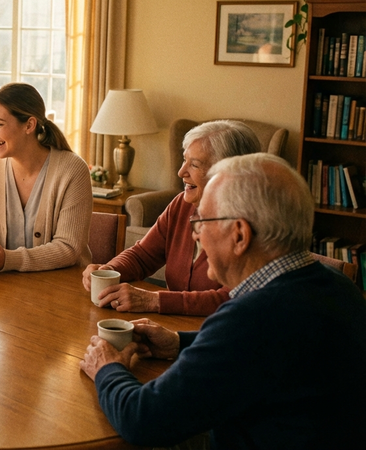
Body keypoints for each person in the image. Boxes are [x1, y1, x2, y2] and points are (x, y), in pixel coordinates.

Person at [79, 153, 366, 449]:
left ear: (239, 235)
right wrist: (179, 342)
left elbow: (143, 420)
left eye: (202, 221)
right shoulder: (340, 288)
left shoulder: (253, 316)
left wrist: (107, 367)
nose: (194, 235)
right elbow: (263, 352)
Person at [82, 120, 260, 315]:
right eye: (185, 160)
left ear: (227, 173)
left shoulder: (251, 223)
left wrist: (154, 301)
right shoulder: (182, 205)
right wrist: (108, 270)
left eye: (194, 165)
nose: (181, 172)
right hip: (174, 327)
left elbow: (232, 298)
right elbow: (143, 256)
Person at [0, 82, 92, 273]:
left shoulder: (73, 169)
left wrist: (7, 259)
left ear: (29, 125)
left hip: (62, 286)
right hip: (3, 285)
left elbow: (68, 248)